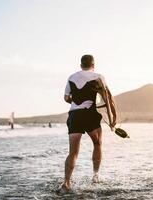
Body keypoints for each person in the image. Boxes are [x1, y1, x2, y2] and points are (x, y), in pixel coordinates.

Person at [61, 54, 116, 192]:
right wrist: (112, 120)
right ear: (93, 65)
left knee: (73, 152)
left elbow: (66, 98)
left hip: (75, 115)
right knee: (97, 143)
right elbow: (108, 99)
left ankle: (66, 182)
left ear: (81, 65)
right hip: (90, 114)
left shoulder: (71, 77)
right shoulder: (98, 77)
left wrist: (77, 101)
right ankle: (95, 175)